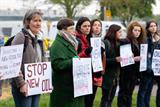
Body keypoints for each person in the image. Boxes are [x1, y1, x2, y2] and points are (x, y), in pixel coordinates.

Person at [11, 9, 44, 107]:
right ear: (27, 22)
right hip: (23, 85)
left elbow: (41, 61)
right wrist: (21, 83)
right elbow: (13, 62)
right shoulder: (20, 37)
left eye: (39, 21)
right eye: (35, 20)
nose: (38, 23)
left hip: (36, 84)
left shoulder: (39, 38)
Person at [49, 18, 84, 107]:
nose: (74, 31)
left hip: (72, 85)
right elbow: (57, 65)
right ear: (63, 30)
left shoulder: (71, 42)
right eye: (71, 29)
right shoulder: (57, 44)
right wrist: (74, 60)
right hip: (63, 87)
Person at [118, 21, 146, 107]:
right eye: (135, 30)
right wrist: (134, 59)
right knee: (124, 95)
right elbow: (123, 59)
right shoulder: (125, 41)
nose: (137, 32)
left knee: (129, 95)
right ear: (131, 30)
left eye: (139, 31)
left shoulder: (138, 42)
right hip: (126, 73)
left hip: (134, 74)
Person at [137, 20, 160, 107]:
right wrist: (148, 68)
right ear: (147, 28)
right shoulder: (146, 39)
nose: (153, 27)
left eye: (155, 26)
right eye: (151, 26)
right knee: (143, 91)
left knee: (149, 91)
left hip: (155, 69)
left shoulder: (157, 38)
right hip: (147, 69)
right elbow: (146, 54)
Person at [85, 19, 106, 107]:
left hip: (97, 72)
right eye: (95, 25)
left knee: (92, 98)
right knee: (86, 99)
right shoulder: (87, 40)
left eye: (99, 25)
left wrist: (102, 70)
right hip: (88, 72)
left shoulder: (101, 41)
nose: (97, 27)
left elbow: (103, 57)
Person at [100, 24, 122, 107]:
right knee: (105, 99)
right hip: (107, 77)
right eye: (119, 32)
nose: (121, 34)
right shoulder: (106, 43)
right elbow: (102, 61)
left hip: (115, 77)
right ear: (114, 32)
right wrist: (115, 60)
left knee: (111, 100)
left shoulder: (118, 43)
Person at [75, 17, 93, 107]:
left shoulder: (90, 39)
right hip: (80, 75)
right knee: (83, 102)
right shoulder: (76, 40)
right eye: (85, 26)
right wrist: (85, 53)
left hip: (89, 73)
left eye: (89, 26)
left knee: (89, 101)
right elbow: (75, 58)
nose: (87, 28)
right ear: (79, 27)